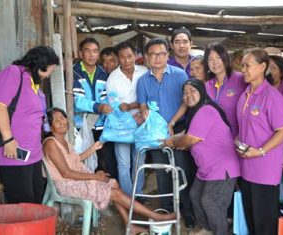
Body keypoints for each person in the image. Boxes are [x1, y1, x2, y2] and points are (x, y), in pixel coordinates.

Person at [43, 107, 176, 235]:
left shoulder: (63, 141)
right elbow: (66, 173)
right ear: (50, 126)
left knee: (114, 183)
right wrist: (94, 177)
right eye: (56, 120)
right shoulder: (51, 143)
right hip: (67, 185)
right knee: (115, 193)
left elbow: (75, 160)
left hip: (76, 180)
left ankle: (129, 225)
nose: (61, 122)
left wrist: (94, 148)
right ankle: (156, 216)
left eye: (62, 118)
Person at [162, 79, 240, 235]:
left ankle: (221, 232)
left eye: (193, 91)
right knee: (195, 195)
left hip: (221, 167)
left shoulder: (206, 110)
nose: (188, 95)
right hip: (207, 167)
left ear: (202, 92)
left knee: (211, 202)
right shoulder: (196, 112)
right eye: (185, 92)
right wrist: (167, 140)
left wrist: (172, 142)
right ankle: (209, 228)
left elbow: (190, 139)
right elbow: (188, 134)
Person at [137, 38, 196, 228]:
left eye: (161, 54)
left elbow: (187, 101)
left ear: (167, 55)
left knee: (181, 171)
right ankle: (168, 211)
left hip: (177, 132)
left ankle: (187, 211)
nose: (157, 58)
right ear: (146, 57)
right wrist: (145, 112)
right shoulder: (143, 81)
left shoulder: (180, 75)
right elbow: (142, 105)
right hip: (155, 135)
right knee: (162, 173)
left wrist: (172, 122)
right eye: (153, 54)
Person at [0, 46, 59, 203]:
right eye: (48, 71)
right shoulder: (13, 73)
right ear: (38, 65)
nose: (48, 76)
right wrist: (8, 140)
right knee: (23, 203)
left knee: (35, 201)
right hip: (12, 152)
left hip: (31, 154)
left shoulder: (33, 83)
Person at [237, 48, 283, 235]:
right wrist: (238, 140)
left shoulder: (272, 96)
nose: (243, 69)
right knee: (251, 220)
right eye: (242, 65)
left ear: (262, 67)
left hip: (265, 171)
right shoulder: (245, 94)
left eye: (248, 65)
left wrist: (260, 151)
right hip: (246, 168)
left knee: (265, 225)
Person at [106, 41, 148, 196]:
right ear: (118, 58)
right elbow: (115, 106)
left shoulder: (144, 72)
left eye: (130, 56)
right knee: (123, 163)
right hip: (121, 126)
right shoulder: (113, 78)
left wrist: (133, 107)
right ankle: (128, 197)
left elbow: (150, 97)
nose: (127, 60)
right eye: (122, 57)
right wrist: (129, 109)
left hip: (142, 122)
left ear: (135, 55)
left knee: (139, 162)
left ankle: (138, 194)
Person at [73, 37, 118, 180]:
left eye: (95, 51)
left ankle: (109, 193)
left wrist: (105, 108)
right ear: (81, 54)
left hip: (102, 126)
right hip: (82, 125)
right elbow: (77, 101)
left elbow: (107, 98)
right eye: (88, 51)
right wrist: (98, 106)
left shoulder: (103, 73)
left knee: (107, 161)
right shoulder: (74, 73)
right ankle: (90, 196)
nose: (92, 55)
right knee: (85, 162)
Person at [204, 43, 247, 138]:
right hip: (215, 137)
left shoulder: (240, 79)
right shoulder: (207, 86)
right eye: (210, 59)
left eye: (219, 58)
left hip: (237, 137)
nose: (215, 63)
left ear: (225, 58)